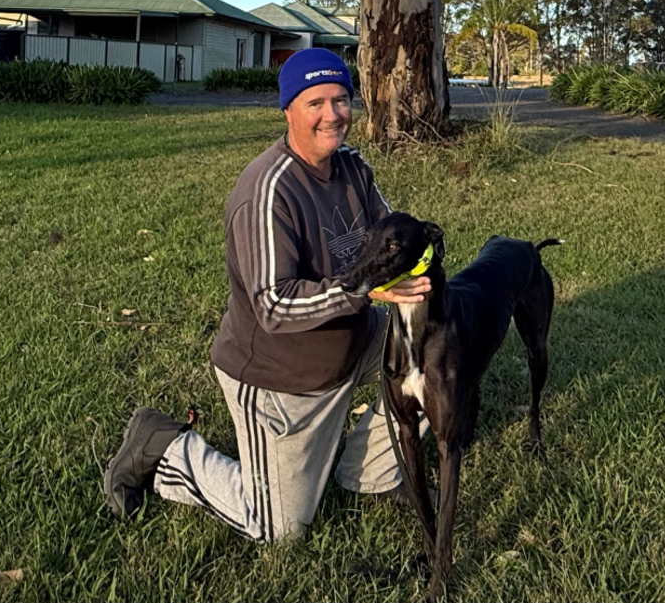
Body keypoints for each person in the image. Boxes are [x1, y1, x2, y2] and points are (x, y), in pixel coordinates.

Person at [102, 48, 430, 541]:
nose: (332, 114)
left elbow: (391, 237)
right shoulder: (268, 189)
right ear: (288, 109)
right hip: (282, 374)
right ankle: (163, 445)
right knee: (278, 528)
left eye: (340, 99)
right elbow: (273, 304)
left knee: (435, 350)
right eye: (314, 102)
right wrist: (364, 292)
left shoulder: (353, 168)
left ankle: (371, 474)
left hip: (353, 341)